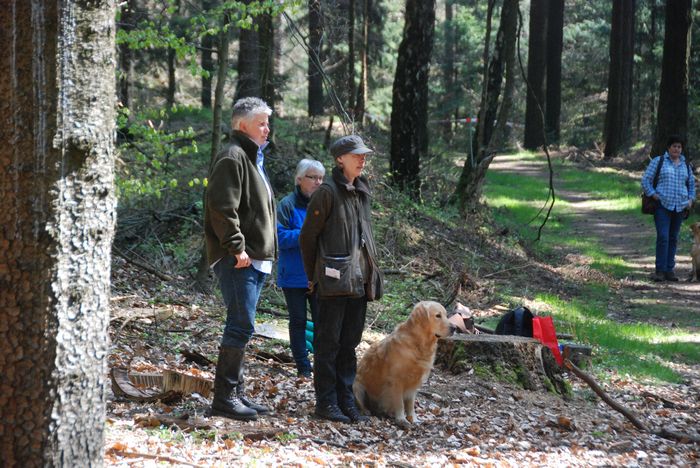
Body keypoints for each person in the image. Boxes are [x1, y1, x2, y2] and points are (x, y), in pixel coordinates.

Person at [299, 135, 383, 423]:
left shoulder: (362, 190)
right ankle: (326, 402)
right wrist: (313, 276)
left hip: (359, 282)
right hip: (332, 284)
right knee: (328, 345)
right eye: (356, 155)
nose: (362, 159)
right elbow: (308, 237)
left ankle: (346, 400)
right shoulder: (326, 193)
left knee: (349, 344)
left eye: (364, 155)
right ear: (339, 159)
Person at [204, 97, 277, 420]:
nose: (267, 129)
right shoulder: (233, 156)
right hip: (238, 258)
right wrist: (236, 247)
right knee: (240, 324)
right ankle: (225, 398)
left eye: (267, 123)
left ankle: (236, 394)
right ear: (242, 125)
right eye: (261, 123)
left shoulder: (252, 158)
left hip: (253, 258)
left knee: (243, 326)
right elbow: (222, 207)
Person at [277, 159, 325, 378]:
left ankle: (322, 366)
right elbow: (279, 238)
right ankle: (303, 368)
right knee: (298, 321)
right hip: (293, 275)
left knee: (322, 322)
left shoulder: (323, 204)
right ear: (299, 179)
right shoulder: (286, 205)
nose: (318, 182)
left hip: (319, 276)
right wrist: (306, 234)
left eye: (321, 178)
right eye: (313, 177)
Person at [642, 135, 696, 282]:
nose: (676, 149)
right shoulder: (658, 161)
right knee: (663, 237)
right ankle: (660, 271)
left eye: (679, 147)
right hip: (662, 205)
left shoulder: (686, 164)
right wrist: (653, 194)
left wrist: (691, 199)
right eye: (674, 146)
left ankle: (669, 270)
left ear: (681, 149)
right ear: (668, 147)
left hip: (680, 206)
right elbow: (646, 180)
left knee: (673, 238)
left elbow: (691, 184)